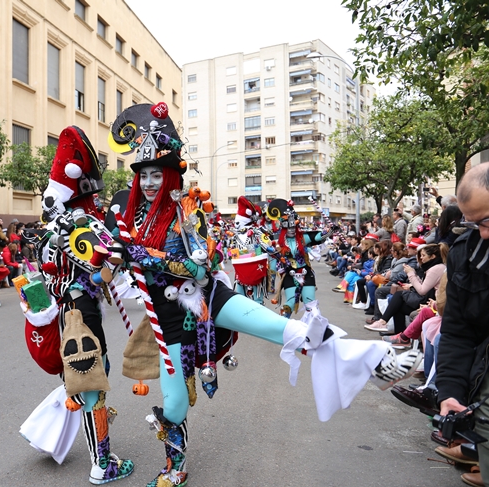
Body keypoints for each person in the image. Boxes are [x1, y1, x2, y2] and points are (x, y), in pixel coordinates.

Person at [109, 103, 421, 486]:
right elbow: (110, 265)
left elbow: (201, 266)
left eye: (157, 174)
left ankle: (375, 359)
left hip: (208, 298)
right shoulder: (129, 220)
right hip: (169, 321)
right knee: (173, 405)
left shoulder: (187, 210)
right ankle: (176, 465)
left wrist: (146, 255)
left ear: (172, 174)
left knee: (283, 328)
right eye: (144, 176)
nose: (150, 183)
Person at [23, 125, 134, 484]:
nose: (96, 205)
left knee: (84, 380)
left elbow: (43, 278)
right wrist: (117, 258)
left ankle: (95, 447)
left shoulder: (47, 234)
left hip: (61, 313)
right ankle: (102, 464)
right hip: (79, 313)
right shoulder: (77, 228)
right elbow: (102, 270)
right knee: (93, 381)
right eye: (91, 198)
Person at [436, 163, 489, 487]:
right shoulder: (465, 254)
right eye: (474, 223)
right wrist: (451, 392)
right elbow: (456, 330)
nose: (483, 233)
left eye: (486, 221)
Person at [365, 243, 446, 334]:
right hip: (427, 298)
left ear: (432, 257)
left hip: (431, 301)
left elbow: (422, 291)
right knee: (398, 305)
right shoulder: (434, 267)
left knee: (398, 295)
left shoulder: (435, 269)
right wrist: (413, 275)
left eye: (423, 255)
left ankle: (382, 321)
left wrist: (410, 274)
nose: (421, 258)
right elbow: (424, 285)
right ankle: (398, 334)